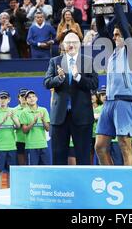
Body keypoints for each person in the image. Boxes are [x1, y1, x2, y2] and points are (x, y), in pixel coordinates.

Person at [95, 0, 132, 166]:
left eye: (117, 34)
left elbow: (123, 25)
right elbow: (101, 30)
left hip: (125, 102)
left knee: (124, 144)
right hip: (109, 102)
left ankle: (128, 181)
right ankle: (110, 178)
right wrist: (98, 8)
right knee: (100, 146)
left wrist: (117, 4)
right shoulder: (113, 52)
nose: (113, 37)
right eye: (113, 35)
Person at [44, 32, 98, 165]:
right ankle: (59, 185)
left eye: (74, 42)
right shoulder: (55, 61)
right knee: (58, 156)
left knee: (84, 156)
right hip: (60, 117)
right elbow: (46, 82)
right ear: (63, 45)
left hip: (82, 116)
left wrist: (78, 77)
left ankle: (83, 185)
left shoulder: (88, 61)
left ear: (79, 45)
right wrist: (59, 78)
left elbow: (94, 84)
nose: (71, 45)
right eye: (68, 42)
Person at [0, 91, 20, 189]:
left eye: (5, 98)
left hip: (12, 146)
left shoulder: (12, 111)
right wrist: (3, 121)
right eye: (1, 98)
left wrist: (12, 118)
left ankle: (10, 192)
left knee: (10, 172)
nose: (3, 101)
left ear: (9, 100)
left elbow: (18, 126)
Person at [20, 90, 50, 165]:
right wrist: (33, 122)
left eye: (33, 96)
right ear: (26, 100)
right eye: (29, 97)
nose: (32, 98)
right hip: (31, 146)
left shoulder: (43, 110)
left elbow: (48, 128)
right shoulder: (24, 112)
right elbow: (24, 130)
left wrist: (43, 120)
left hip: (43, 145)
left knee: (45, 169)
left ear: (37, 98)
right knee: (32, 171)